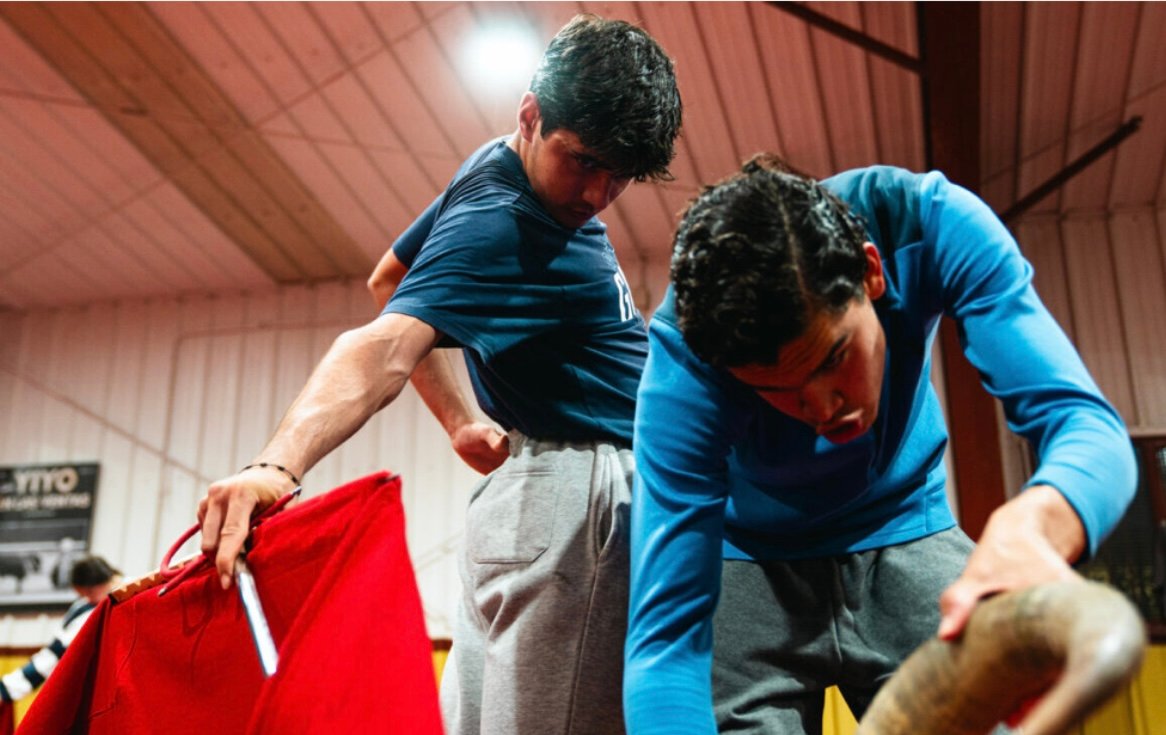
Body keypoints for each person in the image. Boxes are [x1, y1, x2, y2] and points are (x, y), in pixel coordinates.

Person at [198, 14, 682, 735]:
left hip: (530, 492)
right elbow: (384, 344)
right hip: (590, 495)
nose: (595, 194)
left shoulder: (494, 161)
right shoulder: (505, 226)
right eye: (582, 161)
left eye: (619, 175)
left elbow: (388, 278)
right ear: (530, 113)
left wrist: (458, 418)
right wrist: (276, 465)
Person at [623, 155, 1137, 734]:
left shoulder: (928, 223)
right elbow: (665, 644)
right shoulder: (686, 359)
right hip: (749, 557)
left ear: (871, 273)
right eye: (777, 391)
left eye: (833, 358)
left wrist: (1036, 525)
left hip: (904, 523)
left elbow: (1085, 426)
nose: (822, 411)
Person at [0, 555, 121, 703]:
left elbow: (55, 654)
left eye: (86, 593)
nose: (85, 598)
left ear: (91, 588)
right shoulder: (86, 605)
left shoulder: (104, 607)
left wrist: (7, 689)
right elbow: (55, 651)